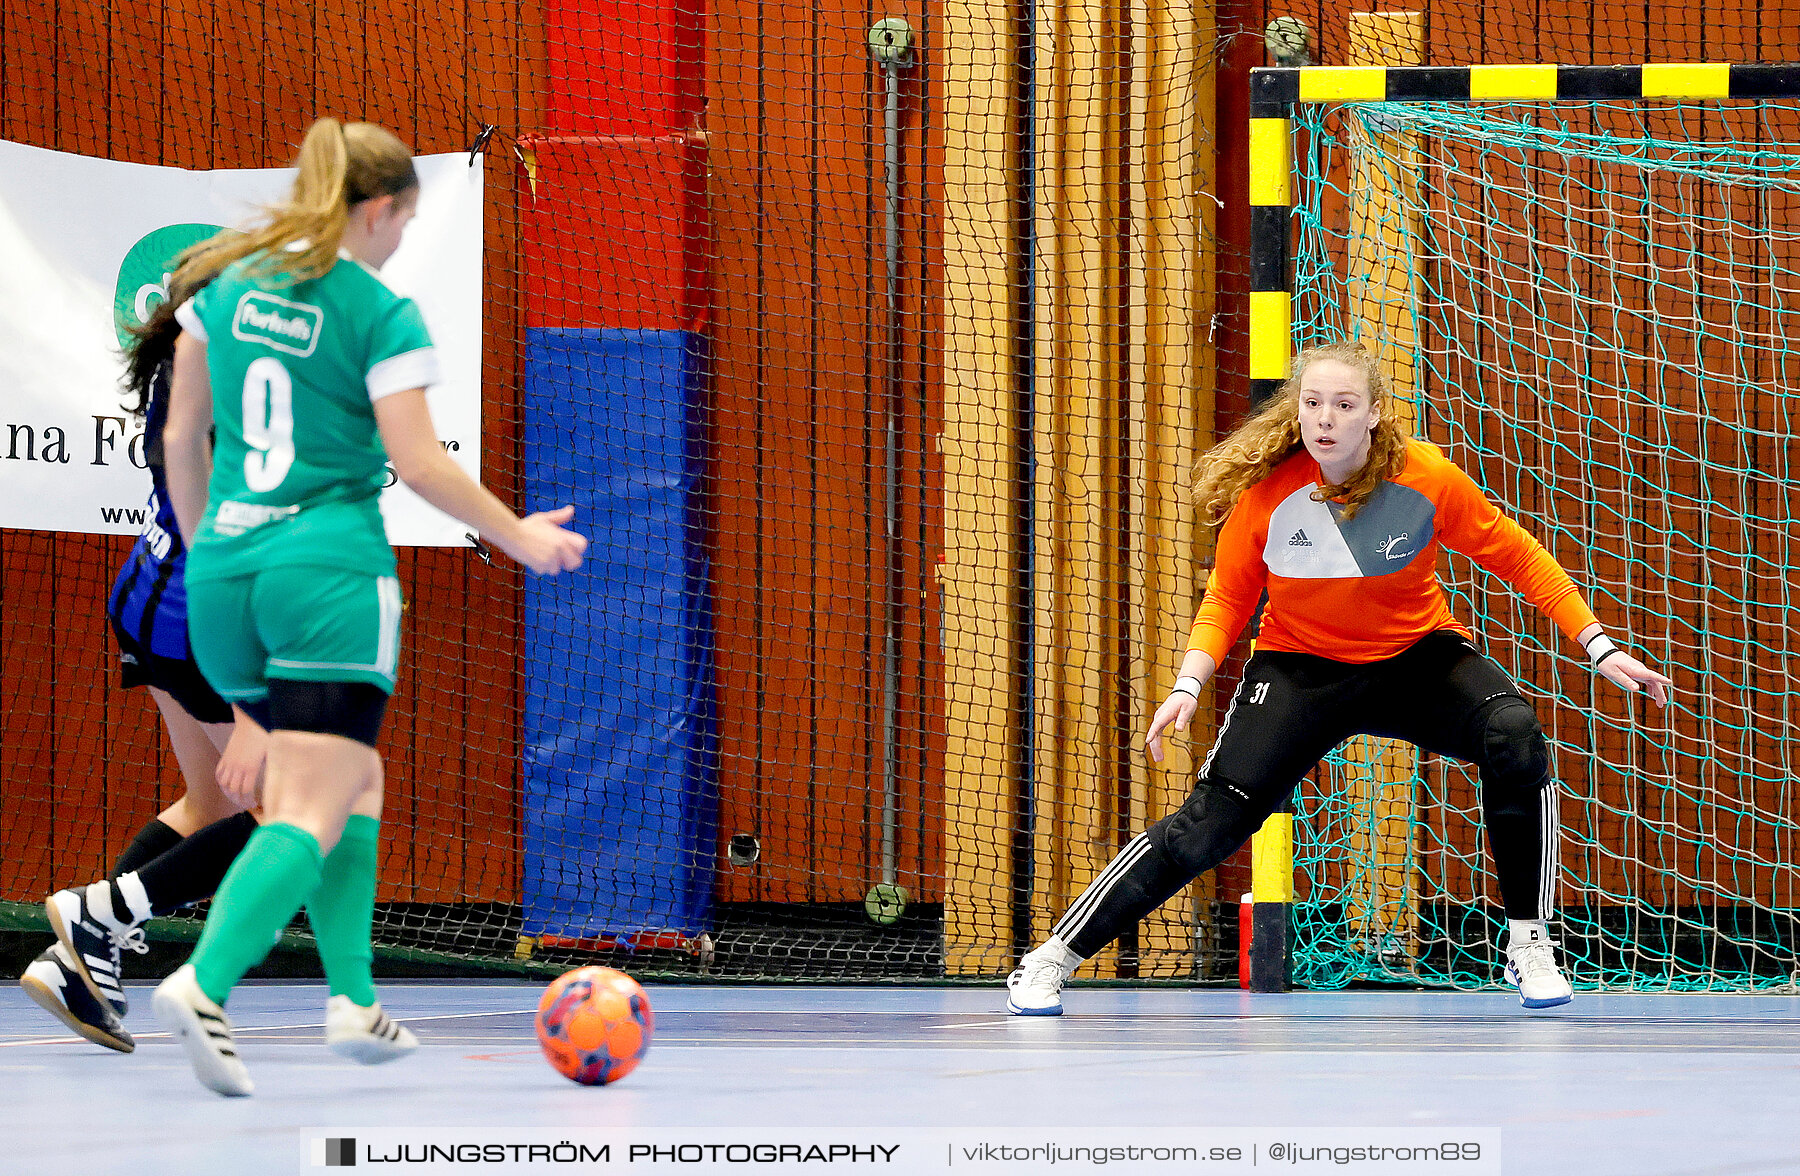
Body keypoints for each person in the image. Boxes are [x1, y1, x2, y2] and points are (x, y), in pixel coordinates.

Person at [102, 117, 582, 1097]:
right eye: (401, 220)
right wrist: (515, 533)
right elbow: (419, 463)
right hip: (328, 579)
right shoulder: (377, 313)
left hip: (225, 568)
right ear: (376, 209)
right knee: (313, 807)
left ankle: (353, 1002)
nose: (403, 237)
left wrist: (208, 552)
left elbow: (181, 442)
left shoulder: (222, 293)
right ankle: (203, 980)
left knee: (352, 784)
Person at [1005, 341, 1673, 1016]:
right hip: (1300, 671)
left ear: (1374, 415)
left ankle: (1529, 944)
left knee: (1515, 734)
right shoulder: (1268, 496)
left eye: (1344, 405)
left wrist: (1599, 646)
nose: (1325, 418)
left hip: (1417, 661)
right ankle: (1051, 958)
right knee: (1206, 830)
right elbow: (1228, 600)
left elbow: (1519, 556)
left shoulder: (1427, 479)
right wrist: (1187, 684)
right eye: (1313, 402)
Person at [28, 287, 270, 1055]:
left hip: (147, 592)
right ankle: (97, 913)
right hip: (195, 617)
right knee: (292, 812)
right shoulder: (223, 386)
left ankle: (73, 962)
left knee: (208, 801)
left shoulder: (186, 367)